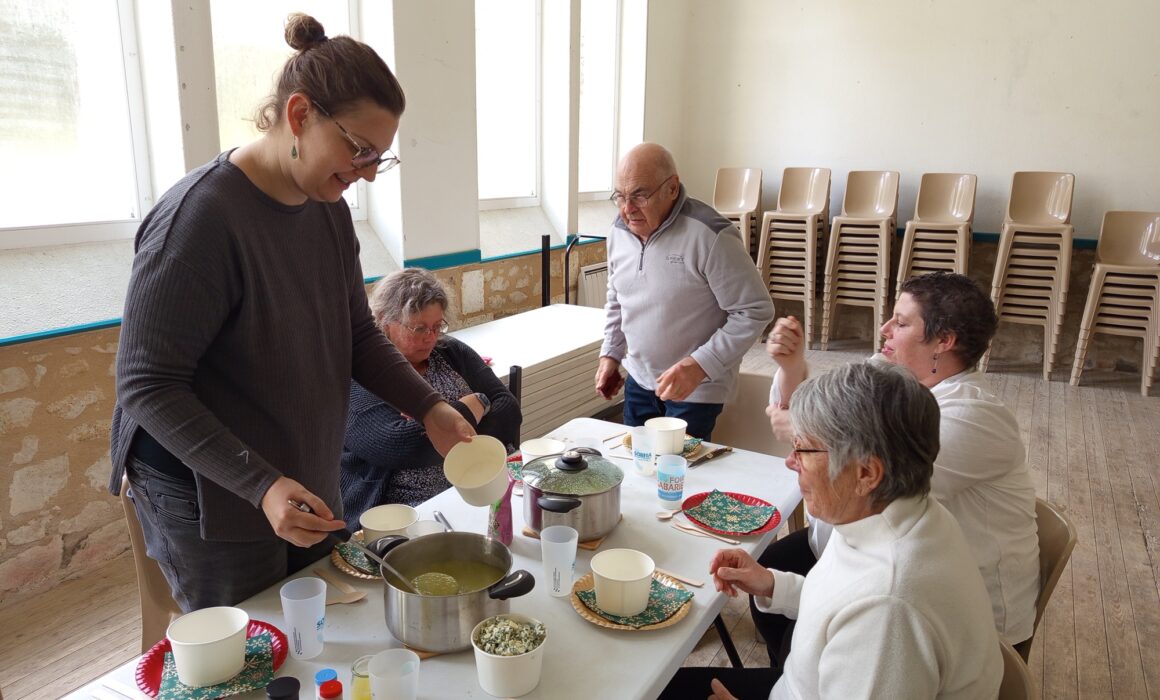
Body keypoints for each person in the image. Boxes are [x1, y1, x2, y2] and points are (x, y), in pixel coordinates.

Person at [109, 14, 475, 612]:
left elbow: (356, 334)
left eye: (380, 158)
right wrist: (261, 485)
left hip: (295, 475)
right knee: (251, 650)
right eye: (359, 150)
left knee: (312, 636)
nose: (367, 174)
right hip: (211, 490)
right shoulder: (200, 221)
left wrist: (429, 405)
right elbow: (145, 383)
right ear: (300, 115)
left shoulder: (326, 208)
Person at [663, 362, 1003, 699]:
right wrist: (771, 583)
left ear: (866, 474)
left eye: (804, 449)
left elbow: (867, 607)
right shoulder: (893, 511)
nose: (790, 461)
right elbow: (842, 603)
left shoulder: (887, 611)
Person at [754, 271, 1039, 666]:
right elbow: (823, 417)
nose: (885, 329)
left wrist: (806, 431)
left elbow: (865, 485)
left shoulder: (974, 417)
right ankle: (786, 677)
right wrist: (791, 367)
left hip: (943, 602)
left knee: (801, 636)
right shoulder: (892, 377)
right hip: (865, 549)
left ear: (944, 340)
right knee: (769, 575)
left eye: (902, 322)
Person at [595, 143, 774, 440]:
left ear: (672, 188)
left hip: (697, 388)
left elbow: (755, 310)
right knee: (638, 471)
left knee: (678, 477)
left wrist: (699, 366)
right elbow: (618, 296)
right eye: (620, 196)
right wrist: (611, 354)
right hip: (639, 379)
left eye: (639, 194)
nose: (628, 209)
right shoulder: (618, 231)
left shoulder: (711, 234)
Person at [340, 269, 521, 528]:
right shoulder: (359, 376)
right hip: (408, 513)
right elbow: (398, 447)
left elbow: (509, 410)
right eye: (419, 328)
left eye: (438, 326)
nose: (431, 338)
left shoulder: (449, 351)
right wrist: (475, 405)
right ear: (384, 322)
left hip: (475, 491)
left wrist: (461, 410)